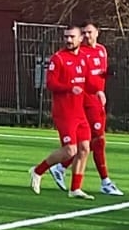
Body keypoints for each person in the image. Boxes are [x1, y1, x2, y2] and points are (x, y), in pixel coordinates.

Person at [31, 22, 94, 199]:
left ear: (80, 38)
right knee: (69, 151)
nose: (68, 40)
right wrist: (69, 87)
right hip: (64, 112)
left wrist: (97, 93)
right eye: (66, 36)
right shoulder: (58, 58)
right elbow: (51, 83)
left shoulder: (84, 58)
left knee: (84, 148)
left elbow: (88, 83)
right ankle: (38, 171)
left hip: (79, 112)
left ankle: (75, 188)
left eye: (72, 37)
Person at [70, 20, 123, 195]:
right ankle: (105, 181)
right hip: (87, 100)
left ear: (97, 33)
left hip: (98, 99)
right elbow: (82, 78)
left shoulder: (101, 50)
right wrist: (96, 91)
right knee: (98, 140)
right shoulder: (81, 52)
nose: (86, 36)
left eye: (89, 32)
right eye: (84, 33)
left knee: (92, 141)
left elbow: (99, 74)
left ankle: (61, 165)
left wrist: (106, 78)